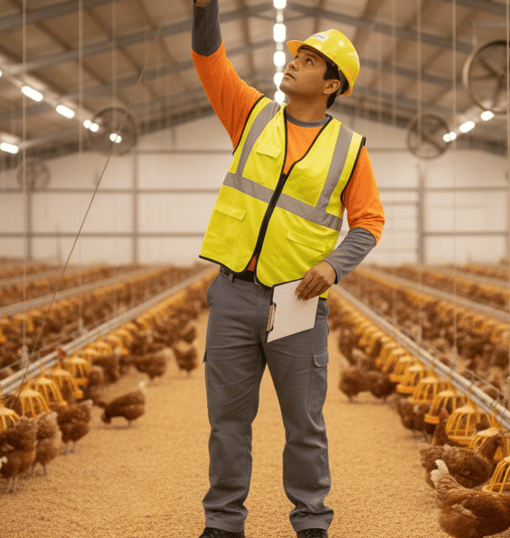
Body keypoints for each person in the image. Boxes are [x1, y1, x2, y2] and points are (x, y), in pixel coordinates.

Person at [190, 1, 384, 537]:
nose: (294, 61)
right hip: (232, 294)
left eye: (310, 59)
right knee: (228, 421)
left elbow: (368, 222)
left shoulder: (349, 149)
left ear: (332, 85)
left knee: (304, 424)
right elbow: (210, 60)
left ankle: (312, 523)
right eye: (296, 53)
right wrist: (204, 8)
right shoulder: (251, 114)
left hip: (296, 302)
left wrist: (334, 265)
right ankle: (223, 523)